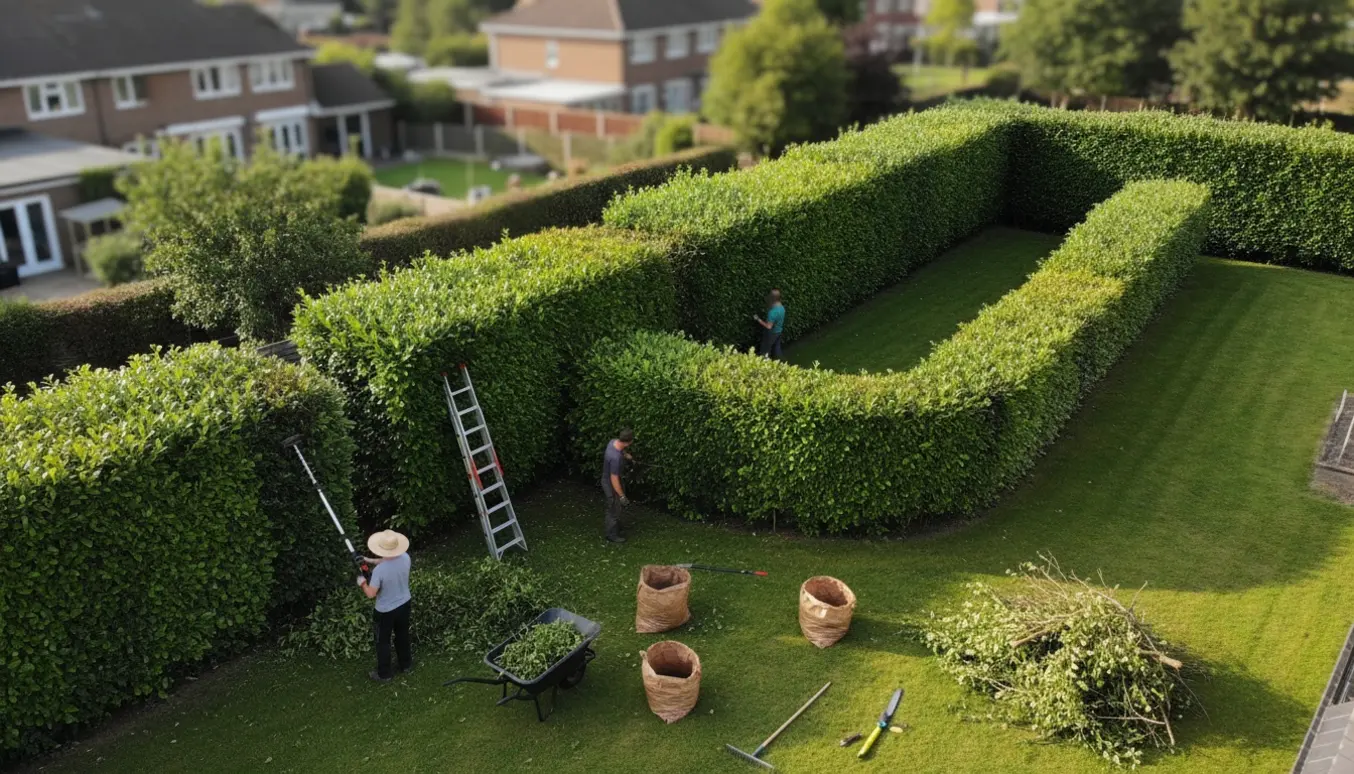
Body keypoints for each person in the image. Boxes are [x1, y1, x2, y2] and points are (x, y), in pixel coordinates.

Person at [357, 529, 413, 682]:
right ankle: (406, 664)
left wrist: (362, 583)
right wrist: (366, 560)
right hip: (404, 604)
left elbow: (371, 594)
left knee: (382, 641)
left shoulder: (379, 571)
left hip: (385, 611)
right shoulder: (405, 557)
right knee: (402, 635)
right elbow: (387, 560)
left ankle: (384, 674)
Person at [601, 429, 635, 543]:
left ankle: (617, 526)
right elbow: (614, 479)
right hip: (610, 484)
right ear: (627, 442)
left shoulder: (613, 442)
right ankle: (611, 535)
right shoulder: (615, 458)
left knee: (617, 507)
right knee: (614, 508)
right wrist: (621, 496)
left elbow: (621, 450)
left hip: (613, 480)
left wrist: (626, 455)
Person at [754, 289, 786, 360]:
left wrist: (758, 319)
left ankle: (766, 366)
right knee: (777, 349)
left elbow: (769, 326)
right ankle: (782, 362)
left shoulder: (772, 312)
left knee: (765, 352)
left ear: (772, 298)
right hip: (779, 331)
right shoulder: (782, 307)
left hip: (772, 333)